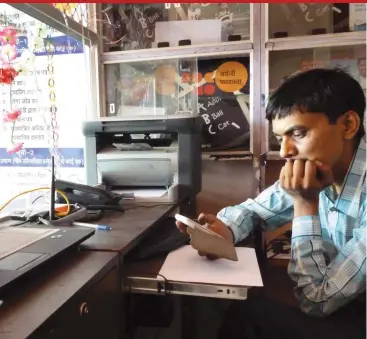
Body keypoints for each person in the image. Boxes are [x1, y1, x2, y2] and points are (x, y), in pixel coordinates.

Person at [176, 68, 366, 339]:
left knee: (250, 315)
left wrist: (304, 203)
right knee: (245, 310)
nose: (286, 151)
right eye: (281, 139)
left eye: (298, 133)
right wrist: (226, 229)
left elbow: (317, 300)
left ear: (348, 125)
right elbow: (255, 210)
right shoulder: (319, 171)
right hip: (346, 303)